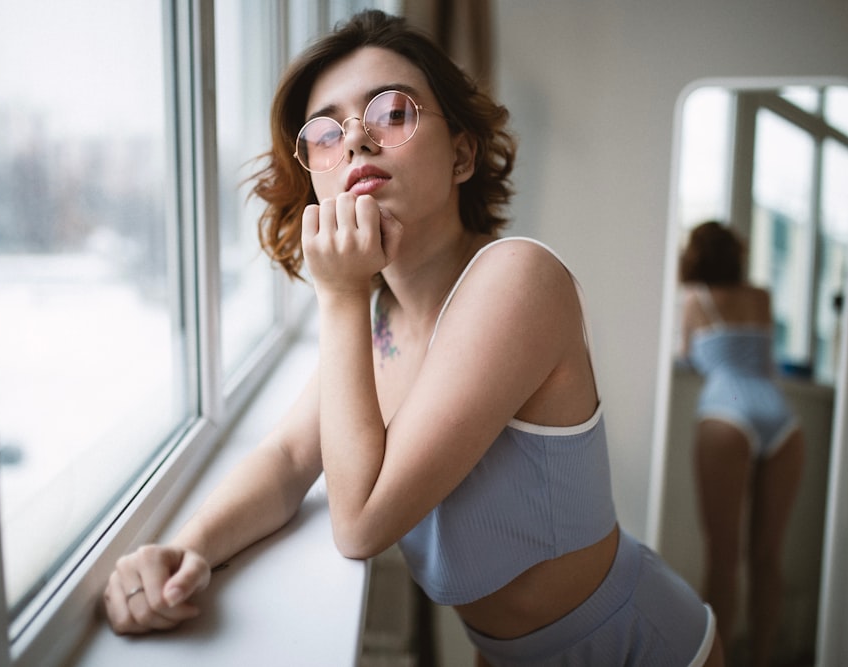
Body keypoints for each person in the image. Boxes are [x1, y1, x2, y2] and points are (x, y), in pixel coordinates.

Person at [104, 10, 723, 665]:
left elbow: (360, 522)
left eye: (391, 114)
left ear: (461, 153)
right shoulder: (380, 320)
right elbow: (289, 459)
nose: (355, 143)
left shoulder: (517, 279)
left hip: (639, 648)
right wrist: (189, 546)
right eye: (325, 132)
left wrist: (339, 292)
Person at [679, 221, 806, 667]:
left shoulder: (694, 299)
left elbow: (690, 358)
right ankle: (764, 657)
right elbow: (769, 360)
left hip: (726, 411)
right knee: (768, 557)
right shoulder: (761, 297)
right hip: (781, 416)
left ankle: (720, 660)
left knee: (722, 556)